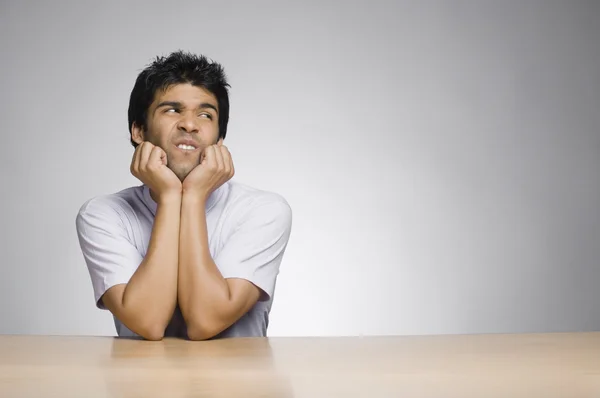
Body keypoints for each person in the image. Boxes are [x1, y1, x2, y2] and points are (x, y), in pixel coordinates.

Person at [75, 51, 293, 341]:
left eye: (205, 114)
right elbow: (147, 322)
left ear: (219, 140)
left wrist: (191, 197)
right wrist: (169, 197)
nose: (189, 124)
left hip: (238, 385)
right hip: (141, 384)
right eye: (172, 110)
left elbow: (206, 320)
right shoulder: (103, 214)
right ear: (139, 131)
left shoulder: (263, 211)